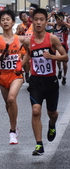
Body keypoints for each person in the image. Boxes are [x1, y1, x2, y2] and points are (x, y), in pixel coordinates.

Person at [22, 8, 68, 156]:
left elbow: (65, 57)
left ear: (45, 21)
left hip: (50, 81)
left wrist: (52, 57)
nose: (39, 22)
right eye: (36, 19)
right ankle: (39, 144)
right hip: (36, 82)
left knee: (52, 113)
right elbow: (29, 57)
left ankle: (52, 124)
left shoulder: (52, 38)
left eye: (42, 19)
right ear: (33, 21)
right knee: (36, 111)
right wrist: (20, 66)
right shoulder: (29, 42)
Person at [0, 10, 29, 145]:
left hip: (16, 75)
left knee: (11, 98)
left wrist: (21, 65)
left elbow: (30, 52)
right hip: (2, 76)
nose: (5, 21)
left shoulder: (20, 39)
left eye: (8, 19)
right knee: (8, 104)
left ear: (13, 22)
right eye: (2, 20)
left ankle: (12, 132)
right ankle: (15, 125)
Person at [52, 12, 69, 85]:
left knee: (65, 64)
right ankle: (60, 70)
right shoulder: (54, 26)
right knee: (58, 59)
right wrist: (51, 15)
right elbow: (45, 22)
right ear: (56, 20)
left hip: (64, 46)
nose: (59, 21)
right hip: (56, 47)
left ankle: (64, 76)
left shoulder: (65, 27)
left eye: (61, 19)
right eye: (58, 19)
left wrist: (66, 23)